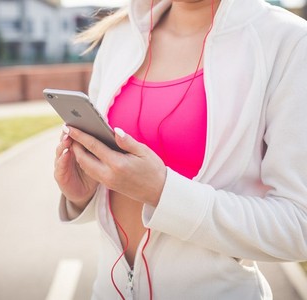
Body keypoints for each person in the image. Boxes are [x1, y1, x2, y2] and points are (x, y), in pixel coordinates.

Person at [54, 0, 307, 299]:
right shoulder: (121, 34)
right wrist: (82, 194)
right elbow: (116, 186)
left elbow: (298, 226)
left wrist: (163, 192)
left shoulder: (288, 41)